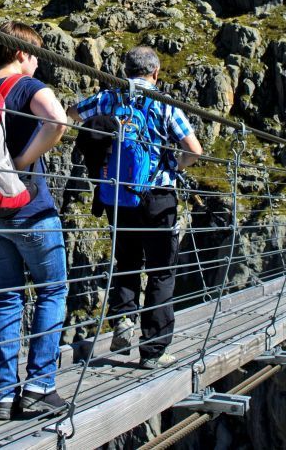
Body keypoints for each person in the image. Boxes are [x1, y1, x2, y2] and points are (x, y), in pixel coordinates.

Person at [67, 46, 202, 370]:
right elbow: (193, 149)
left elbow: (72, 113)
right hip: (158, 196)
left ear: (125, 70)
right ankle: (153, 350)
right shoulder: (165, 104)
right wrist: (176, 167)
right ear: (155, 73)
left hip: (117, 196)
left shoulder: (109, 97)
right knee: (160, 271)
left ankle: (124, 322)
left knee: (126, 260)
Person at [0, 22, 70, 420]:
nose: (38, 63)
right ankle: (41, 386)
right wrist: (22, 163)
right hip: (29, 210)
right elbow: (58, 122)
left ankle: (4, 396)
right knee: (52, 291)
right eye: (37, 55)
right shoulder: (26, 87)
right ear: (22, 53)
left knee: (7, 296)